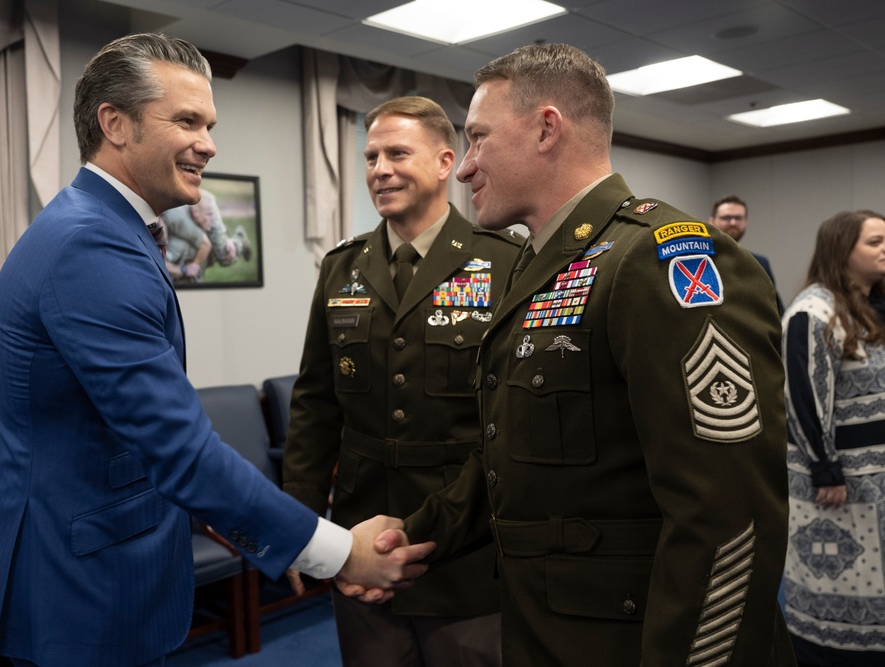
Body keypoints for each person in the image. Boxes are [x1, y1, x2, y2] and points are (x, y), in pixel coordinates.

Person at [0, 33, 433, 667]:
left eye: (209, 124)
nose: (209, 144)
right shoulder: (90, 246)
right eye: (187, 121)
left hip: (97, 569)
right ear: (116, 124)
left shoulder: (104, 230)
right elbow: (178, 448)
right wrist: (336, 551)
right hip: (77, 593)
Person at [355, 43, 796, 666]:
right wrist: (410, 535)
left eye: (478, 139)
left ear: (545, 128)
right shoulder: (538, 267)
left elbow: (727, 518)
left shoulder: (659, 259)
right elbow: (507, 462)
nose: (464, 167)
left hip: (634, 641)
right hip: (550, 632)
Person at [282, 95, 521, 667]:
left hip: (465, 549)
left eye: (396, 153)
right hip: (359, 538)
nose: (379, 169)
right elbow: (315, 404)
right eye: (370, 157)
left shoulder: (505, 262)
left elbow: (512, 423)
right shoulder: (343, 266)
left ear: (444, 162)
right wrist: (301, 521)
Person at [781, 210, 885, 666]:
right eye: (876, 242)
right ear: (842, 251)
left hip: (876, 482)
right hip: (839, 487)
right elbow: (805, 400)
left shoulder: (871, 306)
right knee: (841, 590)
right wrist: (826, 469)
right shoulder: (812, 311)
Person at [709, 194, 784, 312]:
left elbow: (775, 308)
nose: (733, 222)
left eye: (738, 218)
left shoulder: (760, 262)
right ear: (712, 221)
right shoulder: (702, 261)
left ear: (746, 222)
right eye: (726, 218)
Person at [161, 189, 251, 283]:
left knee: (224, 253)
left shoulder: (181, 220)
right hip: (196, 211)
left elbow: (205, 245)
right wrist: (184, 270)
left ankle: (240, 241)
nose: (213, 220)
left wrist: (188, 269)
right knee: (180, 247)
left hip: (202, 206)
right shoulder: (174, 219)